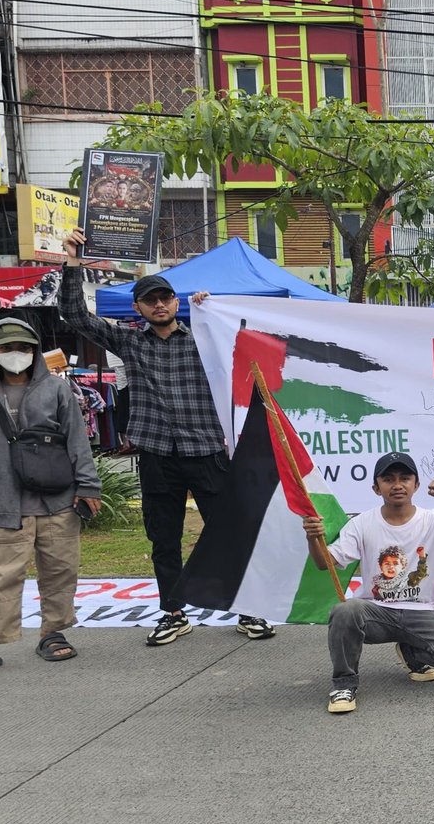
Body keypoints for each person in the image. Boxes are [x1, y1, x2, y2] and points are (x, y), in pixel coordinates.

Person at [58, 228, 274, 646]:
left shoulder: (206, 339)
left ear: (176, 302)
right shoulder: (129, 342)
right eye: (150, 300)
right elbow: (76, 317)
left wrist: (216, 309)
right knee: (163, 538)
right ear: (138, 307)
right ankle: (173, 612)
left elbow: (253, 335)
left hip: (206, 450)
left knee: (228, 532)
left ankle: (249, 607)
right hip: (157, 454)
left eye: (165, 298)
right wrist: (72, 263)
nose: (159, 305)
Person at [0, 318, 102, 681]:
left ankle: (52, 632)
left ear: (34, 351)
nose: (15, 354)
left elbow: (77, 441)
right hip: (5, 503)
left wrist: (88, 486)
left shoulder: (58, 390)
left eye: (23, 347)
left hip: (57, 500)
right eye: (6, 348)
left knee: (60, 571)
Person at [302, 451, 434, 715]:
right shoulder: (361, 523)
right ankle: (344, 684)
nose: (397, 485)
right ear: (376, 488)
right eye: (388, 479)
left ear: (416, 485)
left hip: (421, 612)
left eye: (405, 478)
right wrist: (313, 538)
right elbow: (325, 563)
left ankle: (412, 653)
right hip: (376, 613)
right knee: (345, 610)